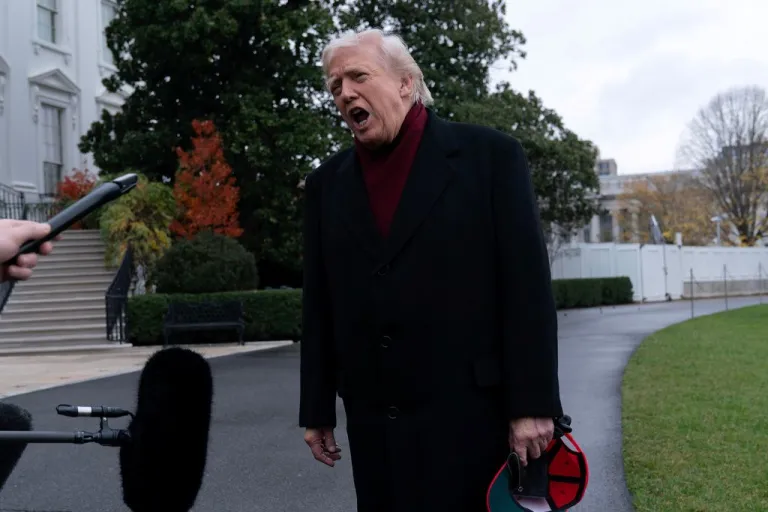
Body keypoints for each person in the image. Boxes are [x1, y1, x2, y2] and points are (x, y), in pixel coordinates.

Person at [299, 28, 563, 512]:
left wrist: (532, 405)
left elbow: (527, 291)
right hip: (376, 423)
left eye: (358, 77)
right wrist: (316, 409)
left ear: (406, 83)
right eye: (335, 86)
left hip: (473, 418)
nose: (345, 93)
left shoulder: (490, 158)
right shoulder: (325, 185)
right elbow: (319, 303)